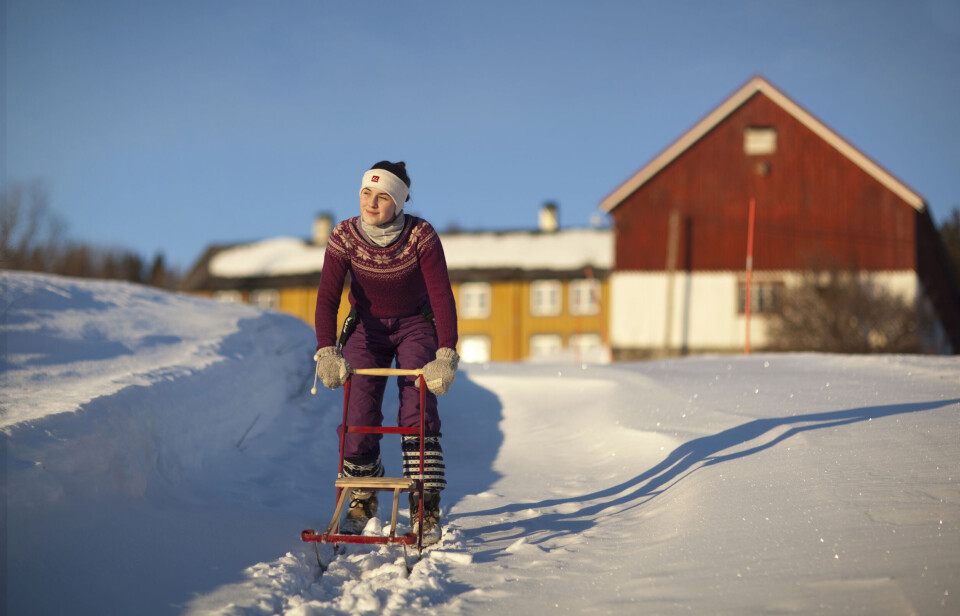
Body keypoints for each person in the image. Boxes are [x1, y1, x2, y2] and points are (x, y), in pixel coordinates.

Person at [313, 160, 459, 545]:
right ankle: (362, 494)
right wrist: (327, 350)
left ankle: (424, 500)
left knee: (417, 405)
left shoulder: (420, 236)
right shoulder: (344, 235)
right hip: (366, 327)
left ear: (399, 202)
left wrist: (445, 354)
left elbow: (442, 295)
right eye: (366, 193)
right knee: (358, 410)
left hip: (414, 323)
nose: (371, 203)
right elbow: (328, 296)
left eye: (382, 197)